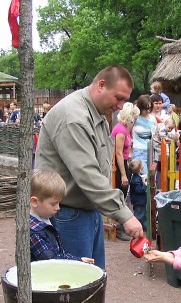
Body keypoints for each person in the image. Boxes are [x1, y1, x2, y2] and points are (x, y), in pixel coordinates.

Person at [35, 66, 144, 270]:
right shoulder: (74, 117)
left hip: (87, 210)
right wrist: (125, 215)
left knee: (93, 278)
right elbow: (88, 175)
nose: (121, 106)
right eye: (118, 98)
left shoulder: (99, 111)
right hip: (67, 213)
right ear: (101, 85)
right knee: (74, 284)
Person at [30, 169, 94, 263]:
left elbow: (61, 252)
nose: (58, 208)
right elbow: (52, 261)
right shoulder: (34, 232)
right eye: (53, 204)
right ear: (35, 202)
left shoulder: (47, 220)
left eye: (59, 203)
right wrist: (78, 261)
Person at [111, 102, 140, 241]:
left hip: (124, 163)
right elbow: (118, 153)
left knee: (122, 195)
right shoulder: (121, 131)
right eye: (135, 116)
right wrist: (123, 174)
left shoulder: (126, 129)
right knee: (120, 195)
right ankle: (119, 229)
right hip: (119, 165)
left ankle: (121, 227)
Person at [132, 95, 157, 177]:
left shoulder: (153, 118)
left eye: (149, 108)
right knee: (143, 175)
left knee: (151, 177)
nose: (148, 110)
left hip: (150, 150)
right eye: (145, 108)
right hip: (138, 150)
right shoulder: (135, 118)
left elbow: (156, 133)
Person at [128, 159, 148, 232]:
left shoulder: (138, 177)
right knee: (139, 215)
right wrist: (145, 185)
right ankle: (135, 227)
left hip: (141, 200)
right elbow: (139, 190)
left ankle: (144, 227)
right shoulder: (135, 180)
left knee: (143, 214)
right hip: (139, 201)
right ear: (139, 168)